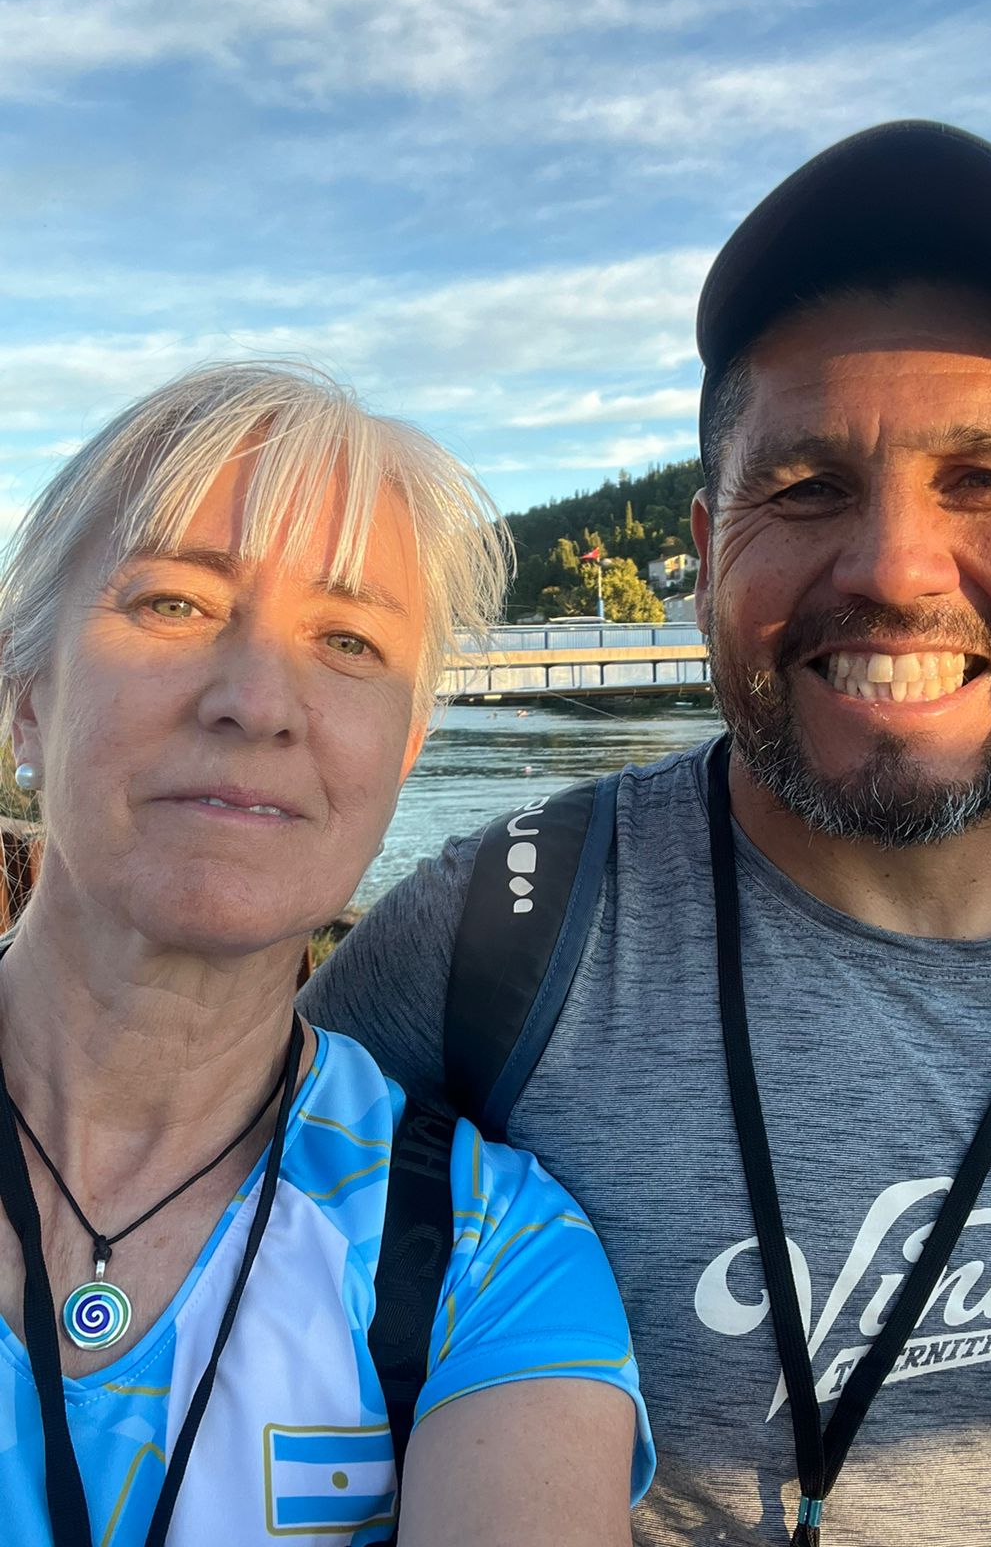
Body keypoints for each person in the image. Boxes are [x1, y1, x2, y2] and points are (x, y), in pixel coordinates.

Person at [303, 120, 991, 1547]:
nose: (898, 568)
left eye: (988, 482)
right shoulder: (493, 941)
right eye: (806, 489)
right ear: (711, 542)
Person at [0, 362, 653, 1547]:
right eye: (174, 605)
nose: (258, 700)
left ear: (404, 747)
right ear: (26, 694)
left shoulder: (483, 1260)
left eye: (348, 640)